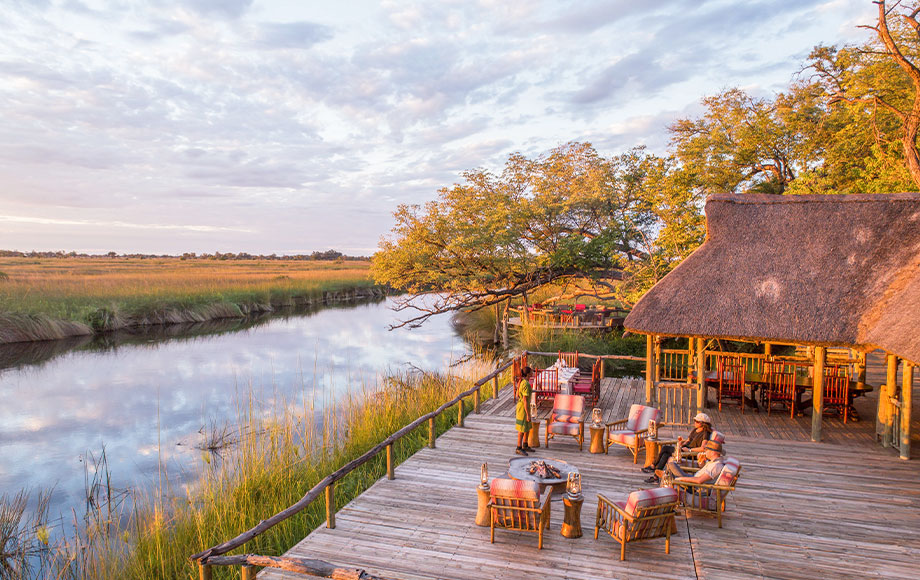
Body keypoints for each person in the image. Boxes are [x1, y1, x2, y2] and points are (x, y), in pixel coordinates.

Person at [642, 412, 713, 483]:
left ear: (703, 424)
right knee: (666, 454)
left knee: (665, 448)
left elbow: (703, 448)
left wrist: (689, 450)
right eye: (695, 421)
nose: (695, 423)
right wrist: (681, 444)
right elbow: (688, 440)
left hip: (691, 454)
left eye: (697, 421)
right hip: (684, 449)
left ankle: (653, 465)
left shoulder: (705, 433)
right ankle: (655, 477)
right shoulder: (695, 430)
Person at [660, 439, 725, 485]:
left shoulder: (716, 466)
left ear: (713, 452)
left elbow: (699, 480)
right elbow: (702, 470)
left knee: (671, 464)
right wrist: (701, 462)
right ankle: (666, 474)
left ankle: (666, 475)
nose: (705, 451)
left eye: (707, 450)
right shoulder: (713, 462)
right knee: (672, 463)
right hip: (693, 478)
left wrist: (680, 479)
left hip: (693, 486)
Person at [515, 366, 535, 455]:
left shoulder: (522, 382)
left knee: (527, 427)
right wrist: (527, 414)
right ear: (528, 374)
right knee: (522, 428)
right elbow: (525, 400)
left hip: (523, 407)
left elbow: (516, 395)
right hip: (523, 408)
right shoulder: (526, 384)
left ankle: (525, 445)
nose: (533, 372)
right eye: (531, 371)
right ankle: (518, 447)